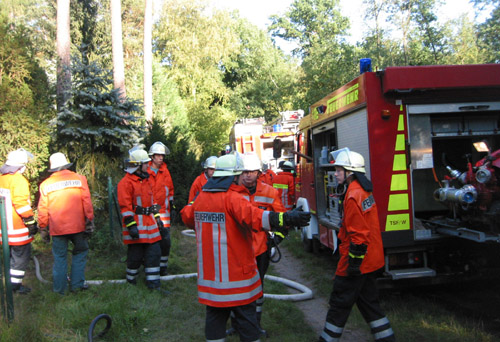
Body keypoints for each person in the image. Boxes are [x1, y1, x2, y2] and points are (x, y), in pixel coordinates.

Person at [180, 153, 310, 342]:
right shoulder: (234, 198)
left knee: (215, 322)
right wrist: (287, 218)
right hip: (237, 278)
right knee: (248, 324)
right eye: (240, 174)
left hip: (211, 279)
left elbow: (187, 216)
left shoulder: (201, 199)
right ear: (233, 176)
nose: (244, 178)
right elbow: (257, 218)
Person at [319, 148, 395, 342]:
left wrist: (352, 265)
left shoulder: (353, 196)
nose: (335, 174)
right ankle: (387, 338)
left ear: (350, 172)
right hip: (370, 261)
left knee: (339, 304)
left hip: (357, 264)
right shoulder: (363, 191)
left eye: (338, 170)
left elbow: (359, 236)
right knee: (369, 304)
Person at [228, 152, 286, 336]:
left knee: (257, 288)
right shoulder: (231, 192)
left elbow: (282, 218)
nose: (247, 175)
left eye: (251, 172)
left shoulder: (269, 192)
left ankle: (255, 326)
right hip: (237, 250)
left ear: (259, 172)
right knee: (235, 289)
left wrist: (275, 239)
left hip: (260, 250)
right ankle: (236, 325)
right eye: (244, 172)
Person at [38, 152, 94, 294]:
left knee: (60, 258)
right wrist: (89, 221)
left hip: (58, 229)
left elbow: (43, 209)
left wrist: (43, 228)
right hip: (78, 226)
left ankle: (59, 290)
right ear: (66, 165)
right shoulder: (80, 179)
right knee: (80, 252)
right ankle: (77, 285)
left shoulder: (46, 185)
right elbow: (87, 203)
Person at [118, 147, 163, 290]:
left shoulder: (147, 180)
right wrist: (131, 226)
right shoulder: (125, 183)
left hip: (151, 226)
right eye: (145, 163)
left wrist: (158, 218)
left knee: (154, 254)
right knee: (135, 256)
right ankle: (131, 283)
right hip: (137, 227)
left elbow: (153, 202)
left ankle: (154, 285)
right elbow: (125, 208)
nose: (147, 166)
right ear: (137, 165)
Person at [0, 148, 37, 294]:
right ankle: (14, 286)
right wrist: (31, 222)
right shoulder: (19, 180)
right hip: (17, 230)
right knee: (20, 258)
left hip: (3, 229)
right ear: (21, 167)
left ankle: (8, 284)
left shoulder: (1, 179)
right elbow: (21, 204)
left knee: (8, 257)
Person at [147, 141, 175, 276]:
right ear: (152, 156)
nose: (161, 158)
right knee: (152, 243)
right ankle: (151, 267)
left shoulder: (165, 171)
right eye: (158, 155)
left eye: (162, 156)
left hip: (164, 213)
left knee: (166, 242)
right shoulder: (146, 171)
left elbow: (170, 190)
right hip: (150, 214)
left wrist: (172, 206)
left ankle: (163, 268)